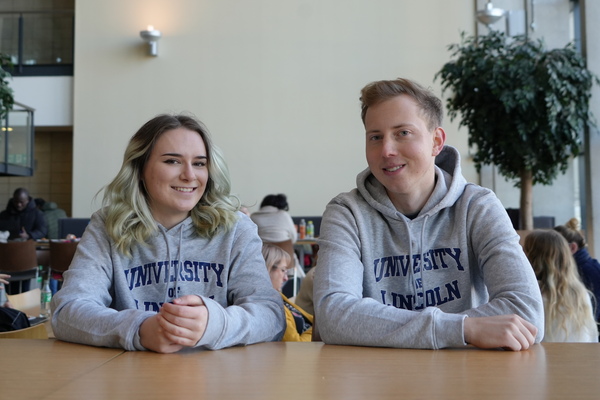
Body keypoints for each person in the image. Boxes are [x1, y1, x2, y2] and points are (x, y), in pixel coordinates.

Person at [313, 78, 544, 351]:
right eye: (375, 137)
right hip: (375, 378)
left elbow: (526, 313)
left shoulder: (478, 206)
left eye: (403, 133)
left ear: (436, 142)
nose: (386, 150)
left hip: (466, 377)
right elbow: (333, 314)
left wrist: (382, 327)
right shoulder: (346, 212)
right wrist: (462, 329)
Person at [51, 114, 285, 353]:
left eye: (199, 163)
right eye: (172, 161)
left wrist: (214, 324)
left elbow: (271, 316)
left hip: (215, 382)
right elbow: (67, 311)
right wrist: (140, 329)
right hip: (128, 380)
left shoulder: (236, 229)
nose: (190, 175)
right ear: (140, 168)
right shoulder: (107, 226)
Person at [523, 229, 598, 342]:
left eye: (524, 250)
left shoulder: (530, 295)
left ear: (531, 258)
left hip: (542, 359)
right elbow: (593, 338)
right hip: (582, 358)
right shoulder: (582, 294)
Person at [261, 243, 313, 341]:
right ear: (268, 269)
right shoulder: (271, 306)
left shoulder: (277, 296)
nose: (285, 278)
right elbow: (296, 345)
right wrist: (316, 330)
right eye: (283, 270)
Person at [553, 218, 600, 326]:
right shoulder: (576, 268)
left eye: (556, 248)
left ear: (572, 247)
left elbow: (593, 314)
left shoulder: (590, 271)